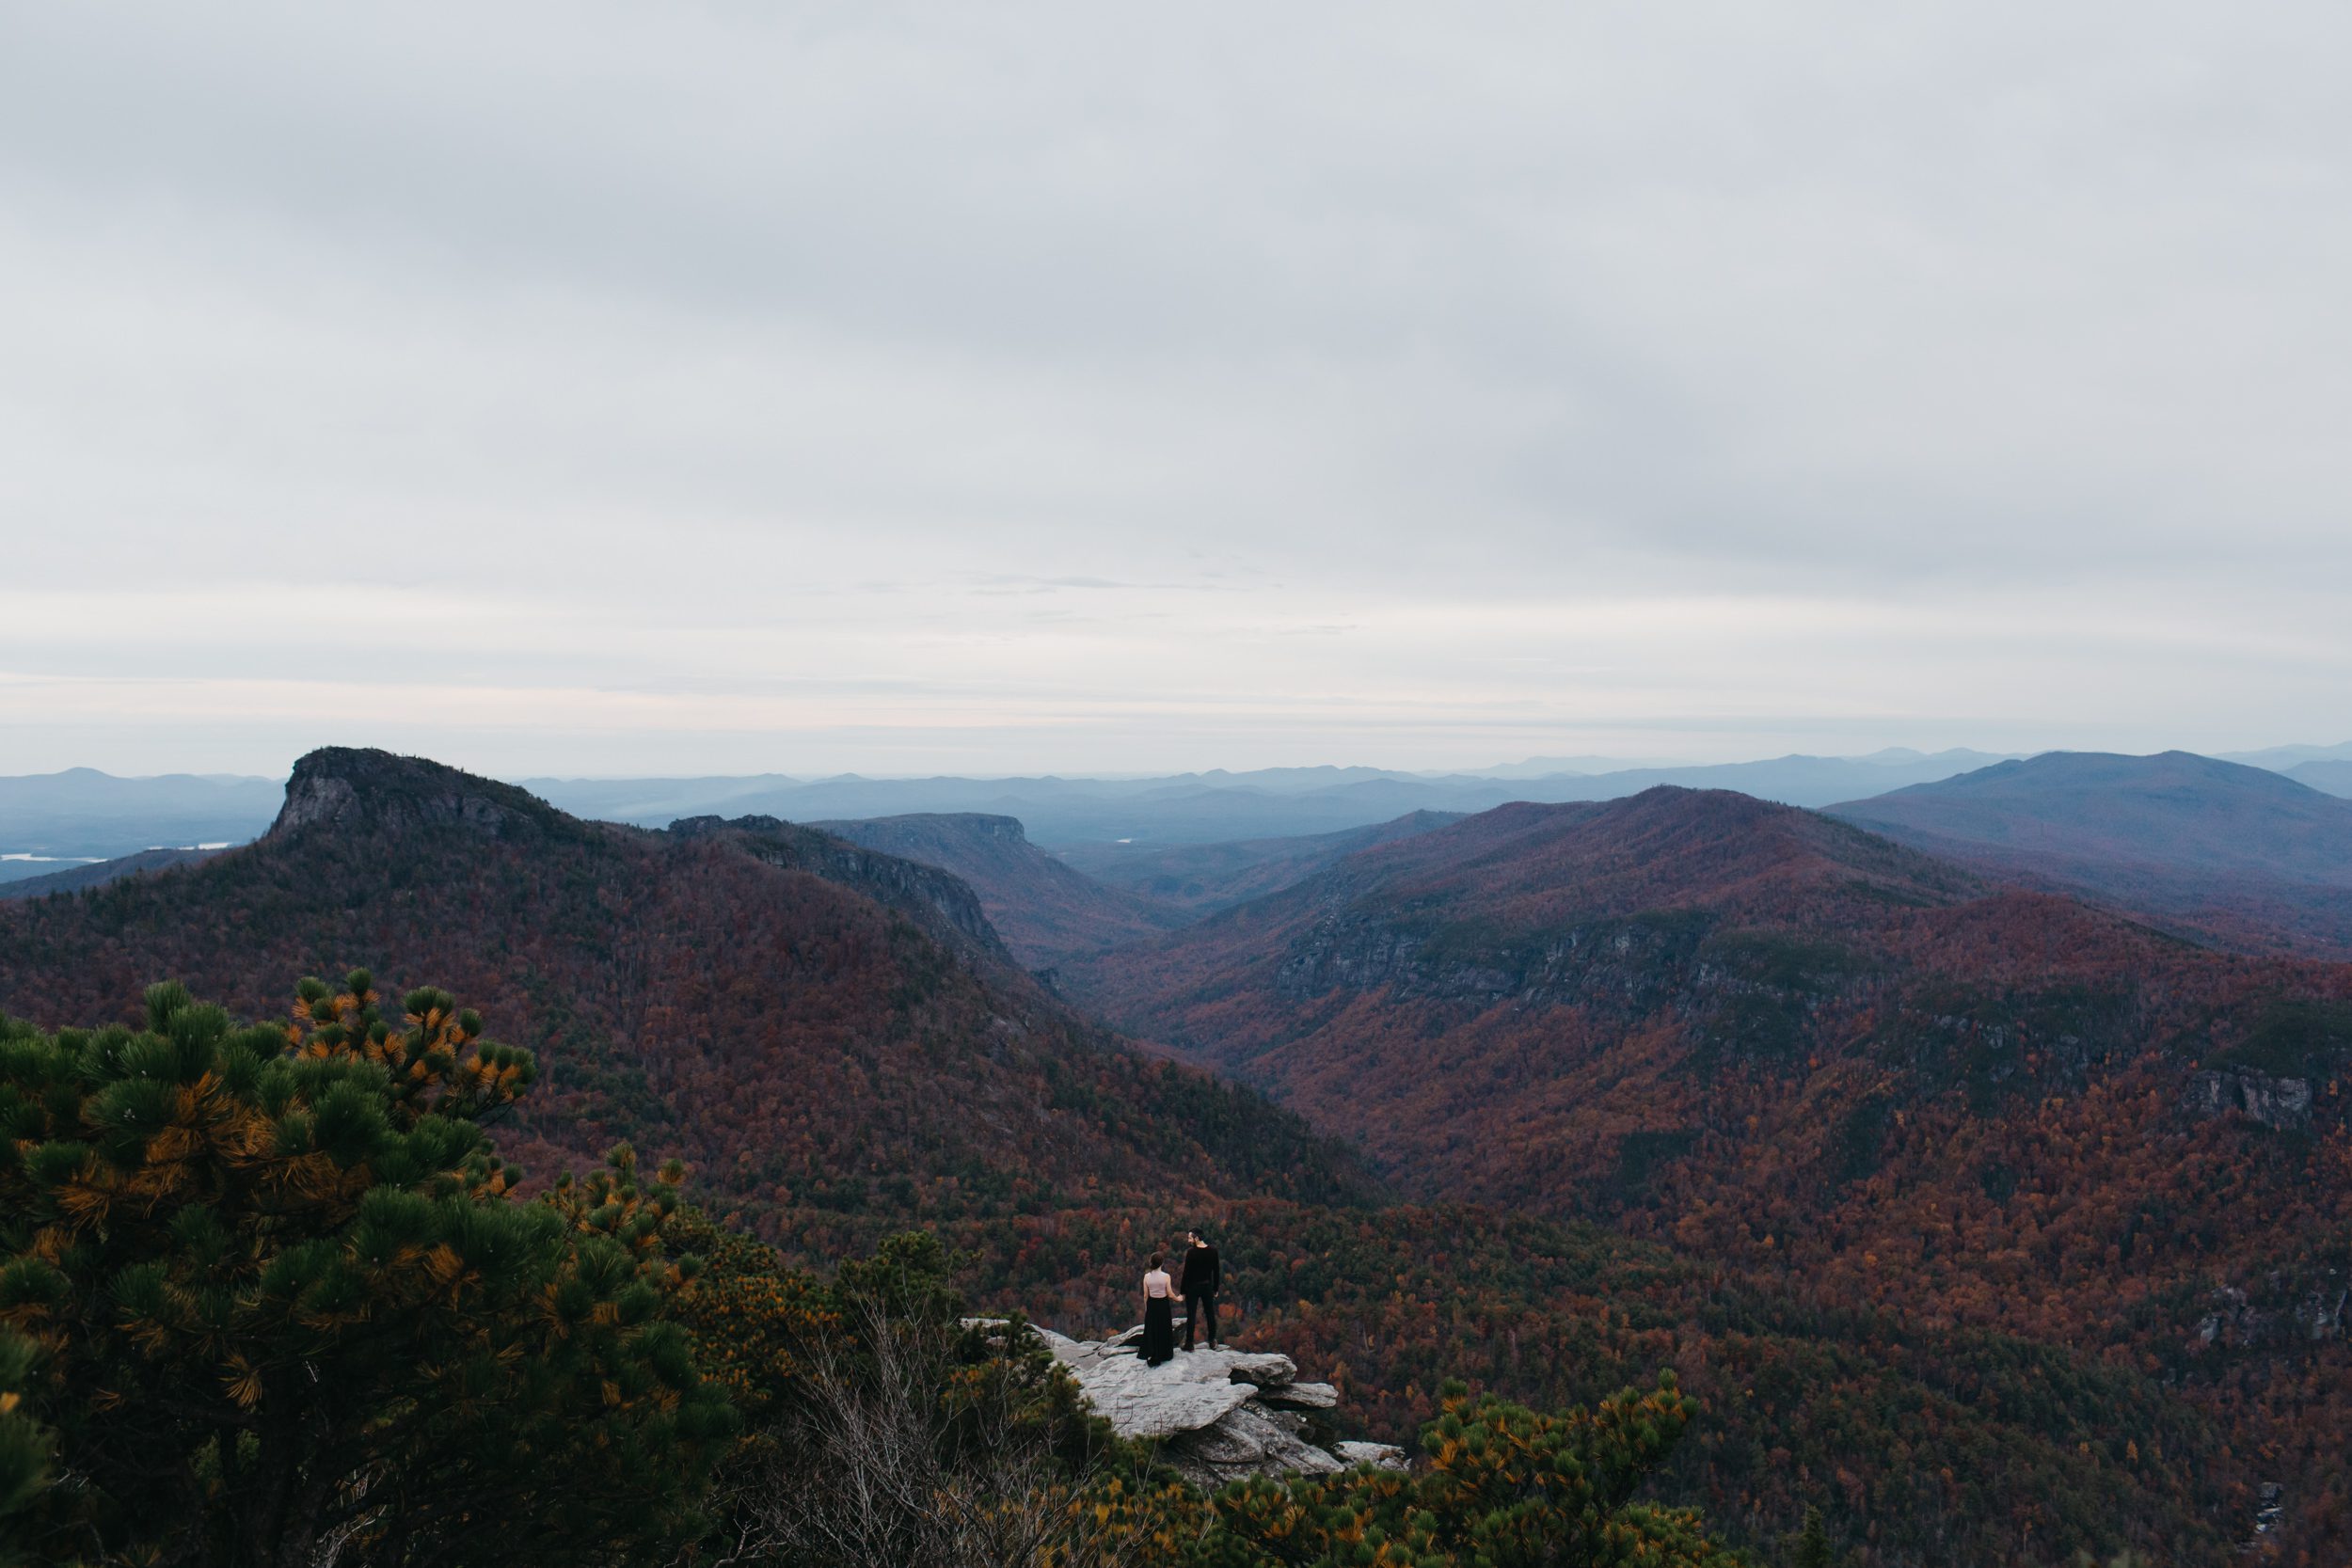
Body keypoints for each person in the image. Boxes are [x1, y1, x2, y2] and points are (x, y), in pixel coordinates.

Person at [1180, 1227, 1222, 1352]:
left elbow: (1186, 1273)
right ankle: (1212, 1341)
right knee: (1210, 1314)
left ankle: (1189, 1343)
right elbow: (1216, 1271)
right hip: (1207, 1285)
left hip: (1193, 1287)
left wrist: (1182, 1291)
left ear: (1196, 1238)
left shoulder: (1191, 1252)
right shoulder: (1213, 1251)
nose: (1189, 1240)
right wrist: (1215, 1289)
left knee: (1191, 1315)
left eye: (1190, 1238)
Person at [1138, 1253, 1176, 1366]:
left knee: (1152, 1330)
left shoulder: (1146, 1277)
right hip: (1163, 1304)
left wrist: (1147, 1308)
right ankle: (1165, 1353)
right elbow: (1169, 1293)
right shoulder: (1166, 1276)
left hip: (1152, 1304)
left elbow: (1145, 1295)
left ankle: (1153, 1353)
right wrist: (1178, 1298)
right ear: (1162, 1263)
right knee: (1164, 1328)